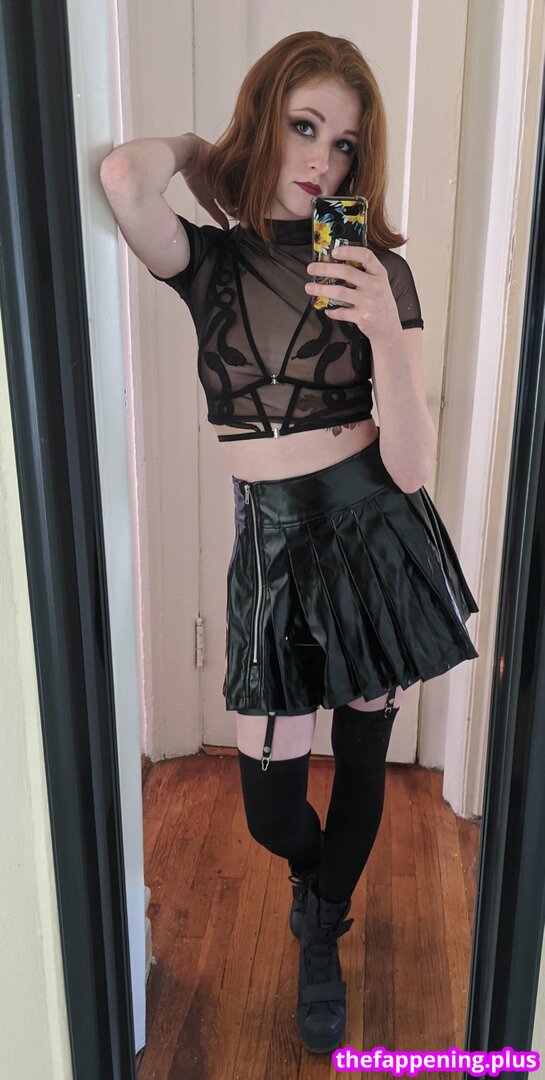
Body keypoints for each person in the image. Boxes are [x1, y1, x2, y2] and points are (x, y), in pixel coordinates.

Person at [100, 29, 479, 1057]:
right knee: (271, 804)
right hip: (270, 546)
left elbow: (410, 466)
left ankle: (322, 933)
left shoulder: (377, 272)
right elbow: (125, 177)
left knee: (359, 754)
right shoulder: (209, 264)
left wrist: (383, 333)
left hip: (374, 531)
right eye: (302, 127)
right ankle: (311, 885)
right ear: (265, 121)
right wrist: (208, 151)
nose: (320, 160)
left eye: (344, 144)